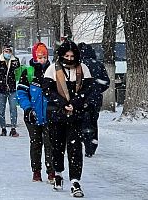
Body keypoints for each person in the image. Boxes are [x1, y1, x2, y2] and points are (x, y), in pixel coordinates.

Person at [42, 39, 96, 198]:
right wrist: (63, 103)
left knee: (75, 149)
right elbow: (48, 91)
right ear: (61, 55)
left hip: (75, 115)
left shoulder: (83, 69)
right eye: (67, 55)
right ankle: (58, 173)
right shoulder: (52, 69)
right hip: (56, 115)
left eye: (72, 56)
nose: (70, 59)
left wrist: (75, 103)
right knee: (56, 146)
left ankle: (75, 181)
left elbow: (88, 90)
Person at [16, 42, 54, 183]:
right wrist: (27, 108)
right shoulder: (29, 72)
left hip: (49, 114)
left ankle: (51, 171)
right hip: (32, 115)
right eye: (39, 57)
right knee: (36, 143)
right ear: (34, 57)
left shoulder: (53, 71)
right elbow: (21, 92)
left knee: (50, 143)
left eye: (44, 57)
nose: (42, 60)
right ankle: (36, 171)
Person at [78, 43, 110, 157]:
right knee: (93, 122)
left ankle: (84, 141)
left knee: (82, 122)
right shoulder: (98, 64)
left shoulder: (79, 65)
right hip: (95, 100)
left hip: (81, 99)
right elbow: (106, 82)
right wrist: (97, 91)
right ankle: (92, 146)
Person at [0, 44, 21, 137]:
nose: (8, 53)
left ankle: (13, 128)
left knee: (13, 109)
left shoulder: (15, 61)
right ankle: (3, 128)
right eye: (6, 51)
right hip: (1, 90)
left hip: (12, 89)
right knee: (1, 109)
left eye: (9, 51)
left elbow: (18, 72)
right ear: (3, 51)